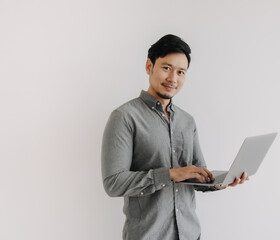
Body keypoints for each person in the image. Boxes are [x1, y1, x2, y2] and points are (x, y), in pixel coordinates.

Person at [101, 34, 249, 240]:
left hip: (190, 234)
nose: (173, 79)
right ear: (148, 66)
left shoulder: (188, 121)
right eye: (166, 68)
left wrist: (223, 181)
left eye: (181, 72)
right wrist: (170, 174)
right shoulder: (124, 117)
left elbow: (198, 176)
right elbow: (113, 183)